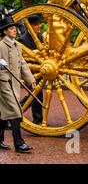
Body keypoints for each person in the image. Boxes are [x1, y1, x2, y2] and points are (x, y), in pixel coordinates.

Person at [0, 16, 36, 153]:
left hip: (14, 83)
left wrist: (30, 80)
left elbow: (23, 64)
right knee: (15, 111)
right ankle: (19, 143)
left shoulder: (17, 46)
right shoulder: (0, 45)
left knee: (3, 114)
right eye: (11, 28)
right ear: (4, 32)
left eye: (14, 28)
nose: (14, 30)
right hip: (3, 84)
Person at [18, 15, 44, 125]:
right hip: (29, 71)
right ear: (30, 27)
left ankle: (15, 111)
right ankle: (38, 119)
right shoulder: (22, 40)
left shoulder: (41, 37)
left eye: (39, 24)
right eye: (36, 25)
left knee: (32, 95)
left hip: (40, 70)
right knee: (36, 94)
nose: (39, 27)